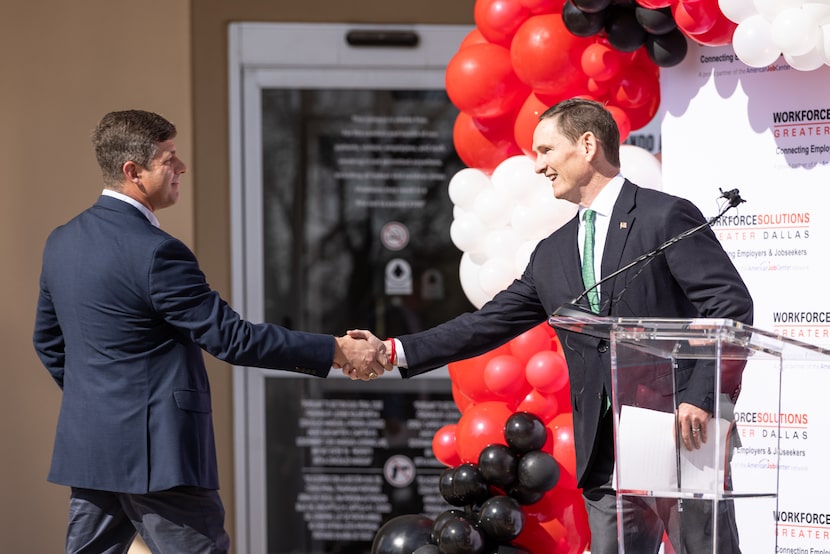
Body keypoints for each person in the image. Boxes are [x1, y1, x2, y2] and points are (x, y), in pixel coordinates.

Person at [357, 98, 753, 553]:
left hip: (683, 436)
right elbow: (485, 325)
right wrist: (393, 351)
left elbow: (729, 306)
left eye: (546, 150)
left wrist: (701, 397)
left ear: (587, 145)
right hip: (605, 454)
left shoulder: (664, 217)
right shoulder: (553, 253)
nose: (538, 165)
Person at [32, 109, 386, 554]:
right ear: (132, 172)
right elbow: (232, 338)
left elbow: (48, 342)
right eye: (169, 159)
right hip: (159, 456)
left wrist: (102, 404)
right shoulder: (157, 253)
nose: (181, 168)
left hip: (92, 448)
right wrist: (335, 349)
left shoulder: (61, 241)